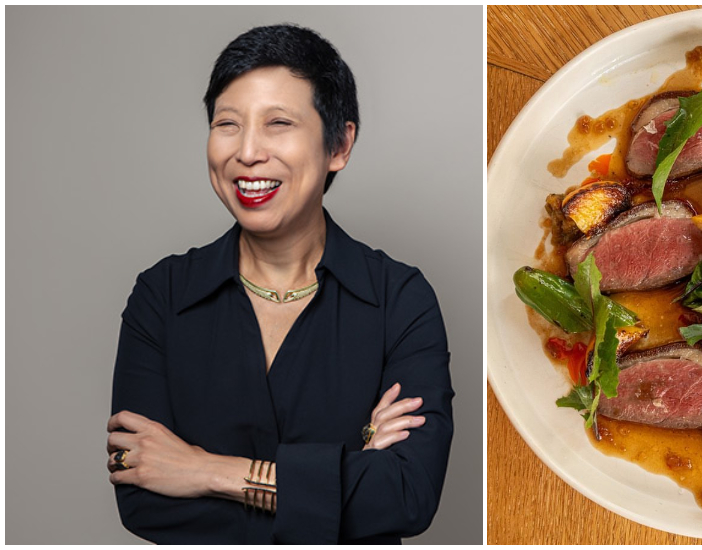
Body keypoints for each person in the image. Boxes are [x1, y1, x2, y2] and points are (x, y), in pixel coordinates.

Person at [106, 24, 453, 544]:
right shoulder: (161, 295)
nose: (247, 152)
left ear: (339, 145)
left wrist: (205, 472)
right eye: (228, 123)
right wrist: (343, 477)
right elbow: (142, 502)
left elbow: (406, 495)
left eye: (278, 123)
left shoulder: (400, 299)